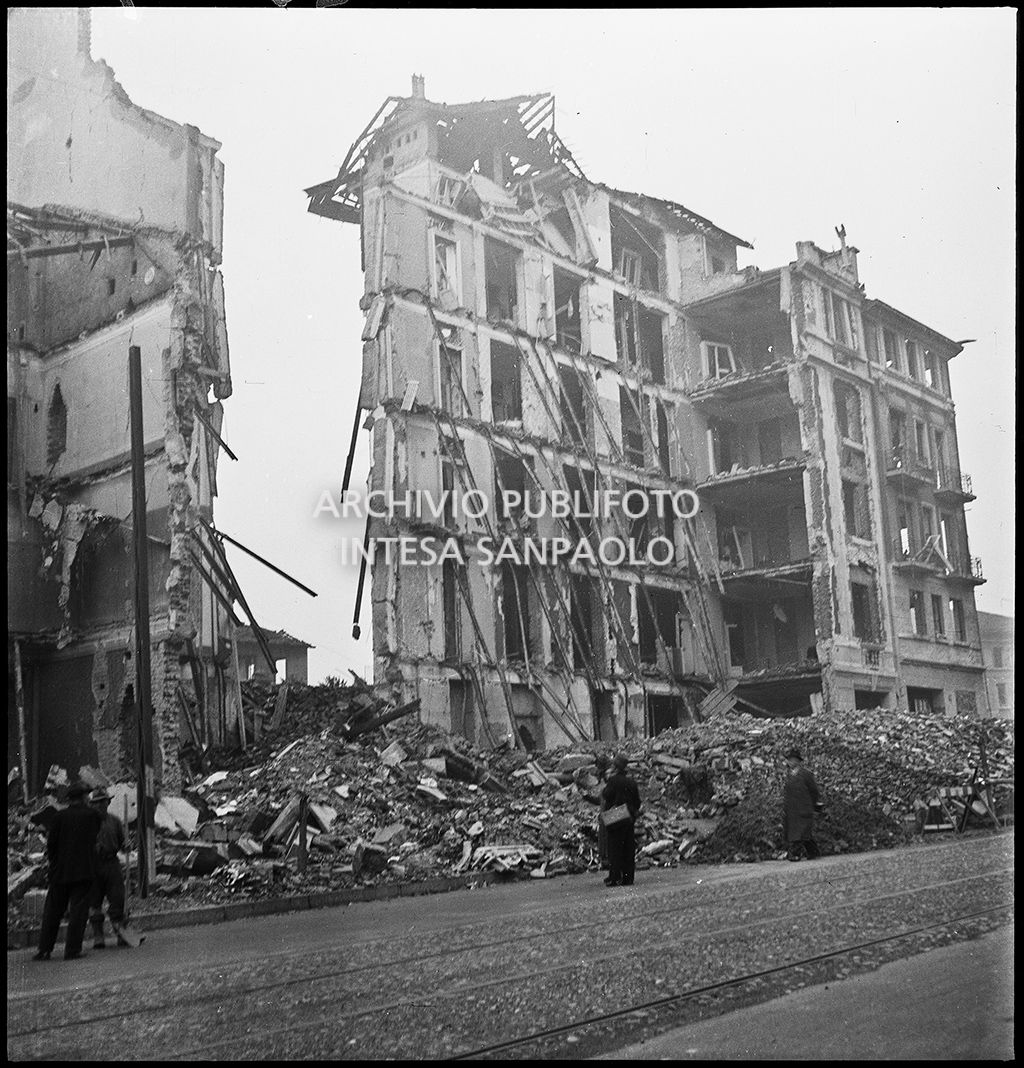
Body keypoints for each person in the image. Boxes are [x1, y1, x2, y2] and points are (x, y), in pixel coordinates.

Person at [33, 781, 103, 961]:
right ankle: (72, 950)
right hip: (83, 871)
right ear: (84, 797)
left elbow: (51, 845)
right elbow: (94, 837)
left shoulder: (58, 817)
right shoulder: (92, 815)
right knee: (78, 912)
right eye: (87, 796)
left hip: (60, 872)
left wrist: (55, 865)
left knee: (52, 911)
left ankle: (44, 950)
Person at [88, 788, 127, 949]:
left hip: (112, 864)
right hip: (94, 865)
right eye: (96, 803)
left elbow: (122, 843)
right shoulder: (87, 823)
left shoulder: (115, 821)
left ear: (108, 803)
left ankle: (120, 932)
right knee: (94, 901)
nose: (100, 806)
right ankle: (98, 936)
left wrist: (126, 845)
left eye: (103, 802)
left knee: (117, 899)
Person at [601, 754, 641, 886]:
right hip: (628, 818)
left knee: (615, 848)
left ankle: (614, 877)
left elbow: (606, 795)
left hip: (616, 817)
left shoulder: (613, 781)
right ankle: (628, 878)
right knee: (628, 849)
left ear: (616, 767)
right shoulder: (631, 782)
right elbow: (637, 802)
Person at [782, 747, 823, 861]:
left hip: (804, 808)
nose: (790, 762)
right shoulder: (789, 776)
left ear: (798, 761)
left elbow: (814, 791)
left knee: (800, 832)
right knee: (801, 833)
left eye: (792, 760)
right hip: (792, 810)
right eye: (789, 760)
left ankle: (794, 854)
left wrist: (813, 804)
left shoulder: (806, 774)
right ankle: (813, 851)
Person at [593, 754, 611, 870]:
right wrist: (586, 797)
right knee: (604, 839)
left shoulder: (611, 784)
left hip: (611, 816)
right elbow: (600, 801)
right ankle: (605, 860)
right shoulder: (605, 786)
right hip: (606, 816)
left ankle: (608, 860)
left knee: (608, 839)